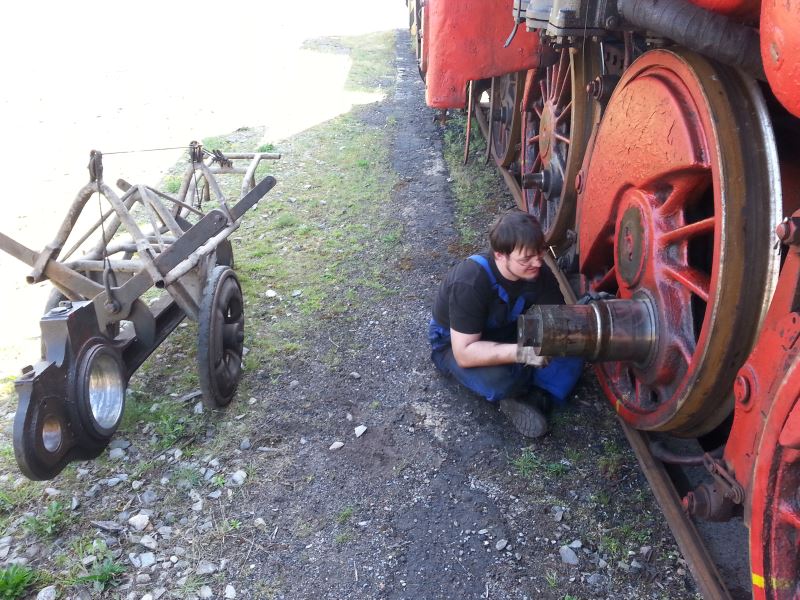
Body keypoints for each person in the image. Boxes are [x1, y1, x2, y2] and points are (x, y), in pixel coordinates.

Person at [428, 210, 583, 438]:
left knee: (574, 344)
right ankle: (529, 386)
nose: (537, 262)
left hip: (507, 331)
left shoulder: (539, 273)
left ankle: (535, 397)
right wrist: (523, 352)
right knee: (500, 380)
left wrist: (566, 332)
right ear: (500, 255)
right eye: (525, 259)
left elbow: (556, 320)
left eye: (540, 252)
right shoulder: (470, 281)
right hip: (456, 344)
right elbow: (464, 353)